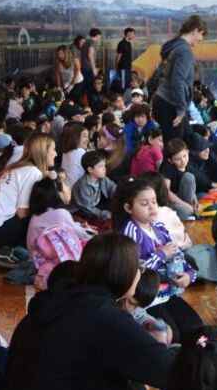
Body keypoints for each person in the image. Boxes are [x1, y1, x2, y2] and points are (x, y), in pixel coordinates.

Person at [3, 235, 175, 390]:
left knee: (131, 378)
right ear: (122, 274)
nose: (139, 273)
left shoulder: (57, 302)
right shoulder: (104, 318)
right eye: (136, 267)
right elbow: (174, 373)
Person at [118, 177, 204, 342]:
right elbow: (132, 271)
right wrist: (161, 255)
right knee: (172, 335)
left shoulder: (159, 228)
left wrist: (189, 275)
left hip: (168, 293)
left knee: (196, 327)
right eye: (144, 204)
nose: (152, 207)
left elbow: (178, 255)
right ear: (128, 208)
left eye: (154, 202)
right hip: (147, 300)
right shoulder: (130, 232)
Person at [0, 133, 56, 249]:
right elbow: (22, 213)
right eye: (53, 149)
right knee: (37, 218)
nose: (56, 154)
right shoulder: (33, 172)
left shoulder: (16, 167)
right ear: (43, 152)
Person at [153, 15, 207, 141]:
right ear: (195, 30)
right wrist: (181, 109)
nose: (201, 38)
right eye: (201, 34)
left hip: (162, 100)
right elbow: (178, 80)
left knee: (186, 140)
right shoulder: (184, 51)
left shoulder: (173, 46)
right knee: (176, 146)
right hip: (171, 104)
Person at [159, 138, 199, 221]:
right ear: (170, 160)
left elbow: (191, 188)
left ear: (187, 152)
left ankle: (191, 212)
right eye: (178, 159)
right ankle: (190, 213)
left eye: (185, 156)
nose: (183, 161)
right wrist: (185, 205)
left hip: (184, 198)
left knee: (191, 179)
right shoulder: (167, 167)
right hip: (171, 201)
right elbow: (166, 191)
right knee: (185, 211)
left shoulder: (187, 165)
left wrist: (194, 199)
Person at [72, 150, 116, 225]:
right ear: (90, 169)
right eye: (100, 166)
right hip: (81, 212)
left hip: (95, 207)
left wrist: (121, 197)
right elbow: (87, 208)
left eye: (104, 165)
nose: (104, 168)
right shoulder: (83, 186)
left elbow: (113, 188)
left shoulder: (102, 178)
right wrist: (105, 214)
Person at [58, 123, 88, 189]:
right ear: (75, 137)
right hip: (76, 189)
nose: (87, 139)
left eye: (87, 136)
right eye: (84, 136)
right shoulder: (80, 152)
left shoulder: (66, 152)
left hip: (66, 188)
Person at [79, 28, 102, 108]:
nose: (100, 38)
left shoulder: (86, 42)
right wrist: (94, 68)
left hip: (84, 67)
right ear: (97, 35)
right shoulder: (92, 42)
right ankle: (91, 105)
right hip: (88, 68)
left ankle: (86, 105)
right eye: (99, 36)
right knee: (90, 87)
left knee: (86, 86)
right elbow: (90, 55)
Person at [114, 27, 135, 93]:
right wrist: (116, 67)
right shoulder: (121, 43)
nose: (134, 35)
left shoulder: (129, 43)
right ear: (128, 34)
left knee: (128, 84)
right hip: (123, 68)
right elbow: (118, 56)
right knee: (123, 85)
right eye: (133, 34)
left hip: (128, 68)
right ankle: (122, 96)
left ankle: (126, 96)